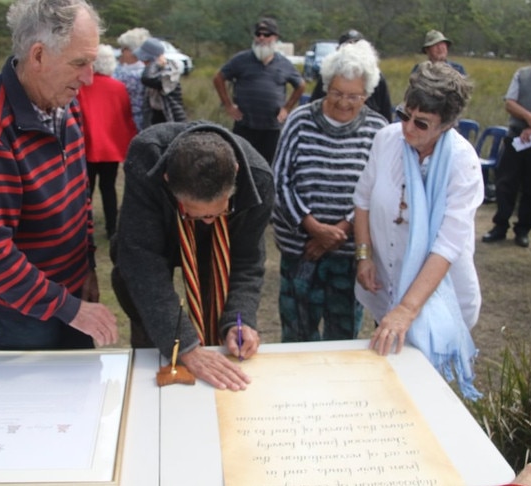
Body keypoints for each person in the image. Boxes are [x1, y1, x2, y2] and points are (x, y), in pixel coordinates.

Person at [0, 0, 118, 350]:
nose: (89, 78)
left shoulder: (62, 102)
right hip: (22, 302)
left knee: (79, 382)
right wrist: (69, 309)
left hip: (70, 286)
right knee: (34, 394)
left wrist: (86, 264)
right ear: (38, 56)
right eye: (80, 63)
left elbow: (79, 192)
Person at [110, 122, 274, 391]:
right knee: (153, 332)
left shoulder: (258, 178)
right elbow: (142, 262)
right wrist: (182, 343)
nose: (207, 223)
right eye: (198, 214)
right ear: (167, 180)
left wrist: (239, 318)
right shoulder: (146, 155)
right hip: (156, 236)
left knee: (224, 321)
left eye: (216, 213)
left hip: (220, 249)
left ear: (235, 172)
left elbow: (246, 259)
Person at [353, 61, 483, 400]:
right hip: (387, 286)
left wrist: (407, 311)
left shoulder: (463, 163)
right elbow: (363, 199)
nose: (408, 128)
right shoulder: (386, 139)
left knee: (427, 394)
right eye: (404, 115)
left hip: (439, 295)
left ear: (446, 126)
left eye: (421, 123)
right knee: (387, 382)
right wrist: (364, 256)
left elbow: (447, 246)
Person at [272, 40, 388, 342]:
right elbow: (280, 180)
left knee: (344, 335)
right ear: (325, 86)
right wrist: (312, 227)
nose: (344, 102)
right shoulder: (299, 121)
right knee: (297, 332)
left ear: (366, 94)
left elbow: (379, 190)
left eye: (354, 95)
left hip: (349, 255)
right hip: (300, 251)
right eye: (336, 92)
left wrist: (339, 231)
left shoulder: (379, 130)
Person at [482, 34, 531, 248]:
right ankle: (500, 225)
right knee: (505, 182)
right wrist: (529, 118)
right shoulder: (522, 74)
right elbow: (510, 102)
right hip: (516, 135)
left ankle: (523, 229)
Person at [213, 17, 305, 164]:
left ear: (275, 37)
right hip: (245, 126)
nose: (261, 38)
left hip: (271, 128)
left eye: (267, 34)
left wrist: (286, 108)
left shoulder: (284, 64)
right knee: (241, 165)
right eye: (258, 34)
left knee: (268, 167)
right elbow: (218, 78)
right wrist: (228, 106)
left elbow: (300, 85)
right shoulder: (241, 59)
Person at [77, 43, 137, 239]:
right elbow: (125, 117)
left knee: (85, 191)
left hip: (87, 145)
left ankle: (84, 230)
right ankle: (112, 228)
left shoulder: (82, 87)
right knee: (108, 187)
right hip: (110, 147)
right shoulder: (119, 87)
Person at [309, 29, 393, 122]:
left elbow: (386, 111)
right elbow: (314, 104)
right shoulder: (330, 73)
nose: (343, 103)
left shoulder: (376, 77)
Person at [135, 37, 186, 128]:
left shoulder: (168, 73)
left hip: (171, 121)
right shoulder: (156, 71)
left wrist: (156, 62)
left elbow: (147, 78)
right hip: (157, 119)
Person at [113, 27, 150, 131]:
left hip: (136, 121)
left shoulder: (142, 73)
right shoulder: (118, 67)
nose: (122, 51)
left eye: (126, 48)